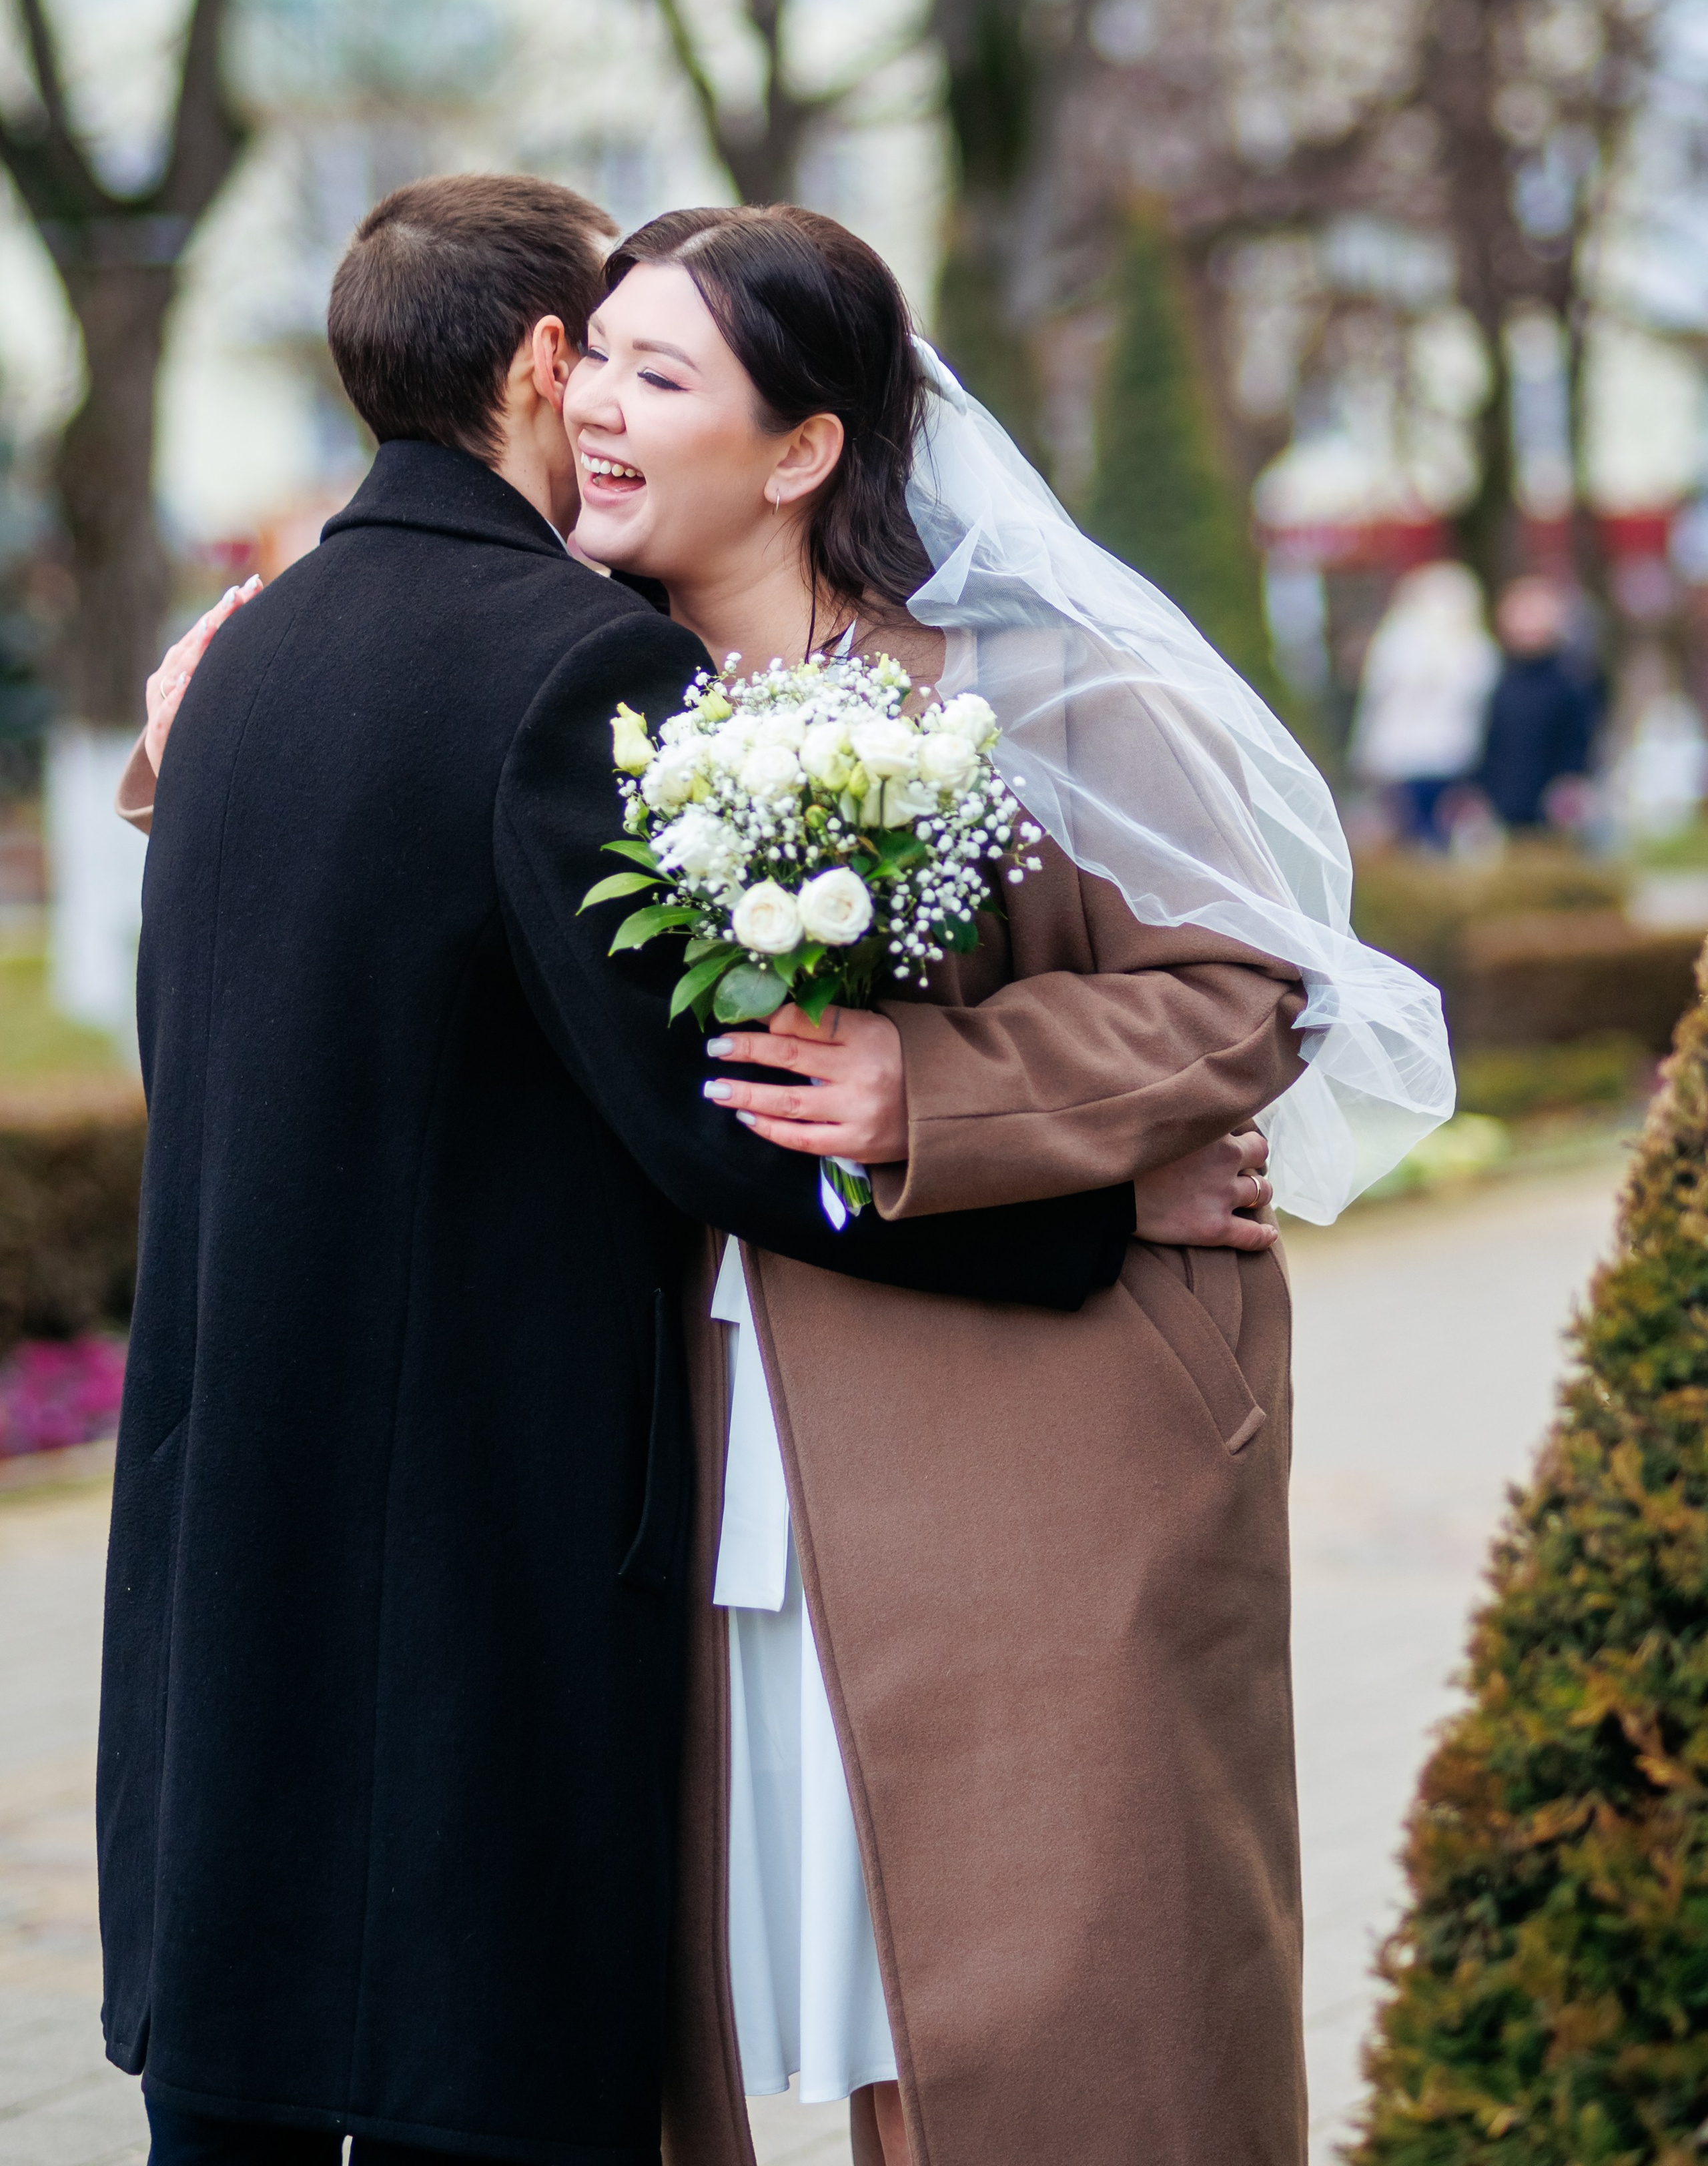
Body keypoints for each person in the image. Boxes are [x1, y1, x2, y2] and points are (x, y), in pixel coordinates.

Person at [135, 197, 1450, 2166]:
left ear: (801, 445)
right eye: (593, 357)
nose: (590, 405)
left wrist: (941, 1084)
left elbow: (1249, 983)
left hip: (1024, 1451)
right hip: (694, 1474)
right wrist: (196, 734)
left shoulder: (1025, 678)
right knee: (782, 2002)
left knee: (1026, 2024)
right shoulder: (604, 683)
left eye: (654, 372)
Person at [1349, 560, 1500, 846]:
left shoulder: (1463, 644)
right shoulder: (1404, 640)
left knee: (1427, 825)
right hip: (1424, 752)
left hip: (1434, 752)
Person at [1477, 574, 1602, 831]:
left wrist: (1571, 786)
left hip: (1553, 807)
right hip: (1502, 801)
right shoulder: (1497, 678)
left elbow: (1580, 742)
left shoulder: (1571, 680)